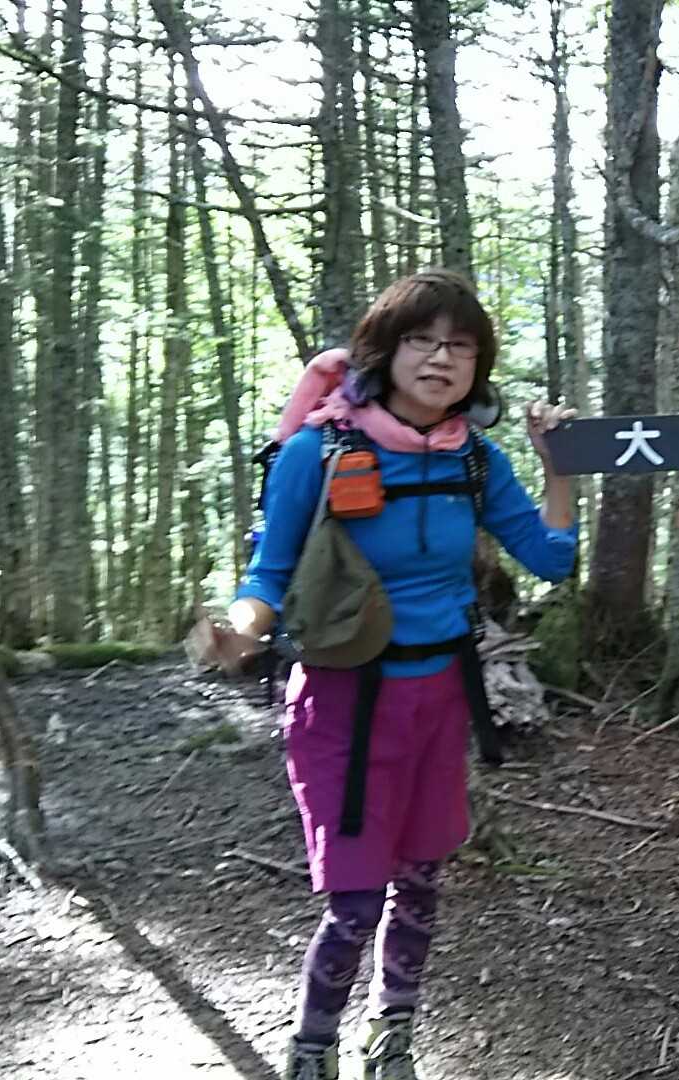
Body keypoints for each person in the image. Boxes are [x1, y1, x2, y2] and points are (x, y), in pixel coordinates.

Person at [190, 269, 579, 1080]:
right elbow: (270, 571)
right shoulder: (319, 450)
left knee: (422, 880)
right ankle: (313, 1047)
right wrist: (243, 630)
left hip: (440, 698)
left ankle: (392, 1036)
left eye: (459, 346)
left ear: (477, 367)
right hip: (343, 702)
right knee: (357, 899)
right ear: (385, 351)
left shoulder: (476, 460)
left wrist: (558, 467)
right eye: (421, 341)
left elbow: (551, 558)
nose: (440, 358)